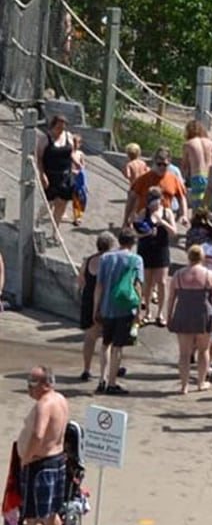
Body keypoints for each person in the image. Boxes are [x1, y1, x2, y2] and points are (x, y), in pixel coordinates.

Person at [15, 366, 70, 525]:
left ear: (45, 384)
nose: (29, 387)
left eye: (32, 383)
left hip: (40, 465)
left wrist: (27, 457)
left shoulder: (44, 405)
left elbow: (38, 435)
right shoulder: (61, 399)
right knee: (52, 514)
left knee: (34, 519)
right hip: (57, 461)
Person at [93, 229, 142, 395]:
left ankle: (102, 379)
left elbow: (99, 285)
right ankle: (112, 383)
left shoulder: (106, 258)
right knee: (118, 346)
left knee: (105, 343)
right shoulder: (136, 259)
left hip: (106, 307)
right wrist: (140, 309)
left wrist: (96, 307)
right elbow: (137, 285)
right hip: (124, 307)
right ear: (133, 243)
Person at [167, 244, 212, 393]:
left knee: (184, 353)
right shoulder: (209, 275)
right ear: (202, 257)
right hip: (203, 314)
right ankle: (201, 382)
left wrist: (169, 316)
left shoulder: (178, 275)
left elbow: (171, 298)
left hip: (183, 313)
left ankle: (184, 386)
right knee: (204, 351)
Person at [132, 188, 176, 325]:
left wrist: (162, 223)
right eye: (150, 200)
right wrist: (147, 232)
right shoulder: (143, 212)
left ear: (161, 199)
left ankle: (160, 313)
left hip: (161, 249)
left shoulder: (166, 212)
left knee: (162, 282)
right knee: (147, 282)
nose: (152, 203)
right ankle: (148, 311)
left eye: (155, 199)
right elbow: (136, 233)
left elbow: (174, 232)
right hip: (146, 249)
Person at [75, 233, 114, 383]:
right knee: (107, 340)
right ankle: (105, 372)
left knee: (90, 338)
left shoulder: (88, 261)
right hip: (105, 302)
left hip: (88, 301)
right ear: (110, 246)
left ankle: (86, 369)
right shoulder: (110, 261)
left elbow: (81, 281)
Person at [34, 114, 81, 231]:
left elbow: (70, 153)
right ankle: (38, 219)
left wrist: (77, 163)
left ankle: (55, 230)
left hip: (65, 175)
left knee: (62, 203)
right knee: (49, 203)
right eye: (58, 127)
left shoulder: (68, 136)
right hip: (51, 175)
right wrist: (42, 174)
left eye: (63, 127)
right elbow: (39, 158)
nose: (60, 130)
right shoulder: (45, 139)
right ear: (53, 126)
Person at [182, 118, 212, 214]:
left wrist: (183, 180)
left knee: (197, 207)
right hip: (210, 176)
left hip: (197, 176)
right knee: (209, 206)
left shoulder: (188, 144)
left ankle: (197, 226)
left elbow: (185, 165)